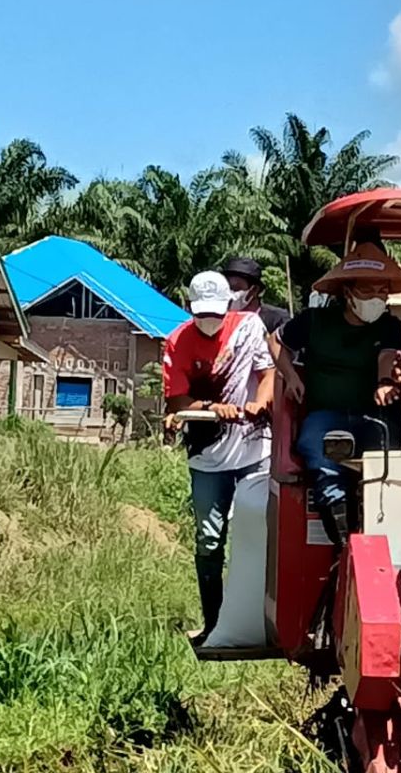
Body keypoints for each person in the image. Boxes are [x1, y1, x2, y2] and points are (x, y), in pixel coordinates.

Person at [274, 242, 401, 544]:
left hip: (374, 416)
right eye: (368, 291)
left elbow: (388, 355)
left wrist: (385, 382)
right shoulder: (313, 321)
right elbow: (275, 342)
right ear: (347, 292)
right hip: (325, 416)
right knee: (319, 455)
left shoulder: (389, 325)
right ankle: (343, 549)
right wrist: (290, 377)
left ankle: (382, 538)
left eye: (383, 291)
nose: (377, 299)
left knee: (382, 471)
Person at [163, 270, 275, 644]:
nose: (209, 321)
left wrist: (260, 402)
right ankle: (214, 624)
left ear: (229, 305)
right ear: (190, 310)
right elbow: (177, 400)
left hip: (255, 450)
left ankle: (264, 620)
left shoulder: (249, 327)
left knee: (261, 535)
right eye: (201, 315)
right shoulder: (177, 342)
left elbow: (268, 372)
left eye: (216, 313)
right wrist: (212, 406)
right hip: (208, 458)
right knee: (209, 540)